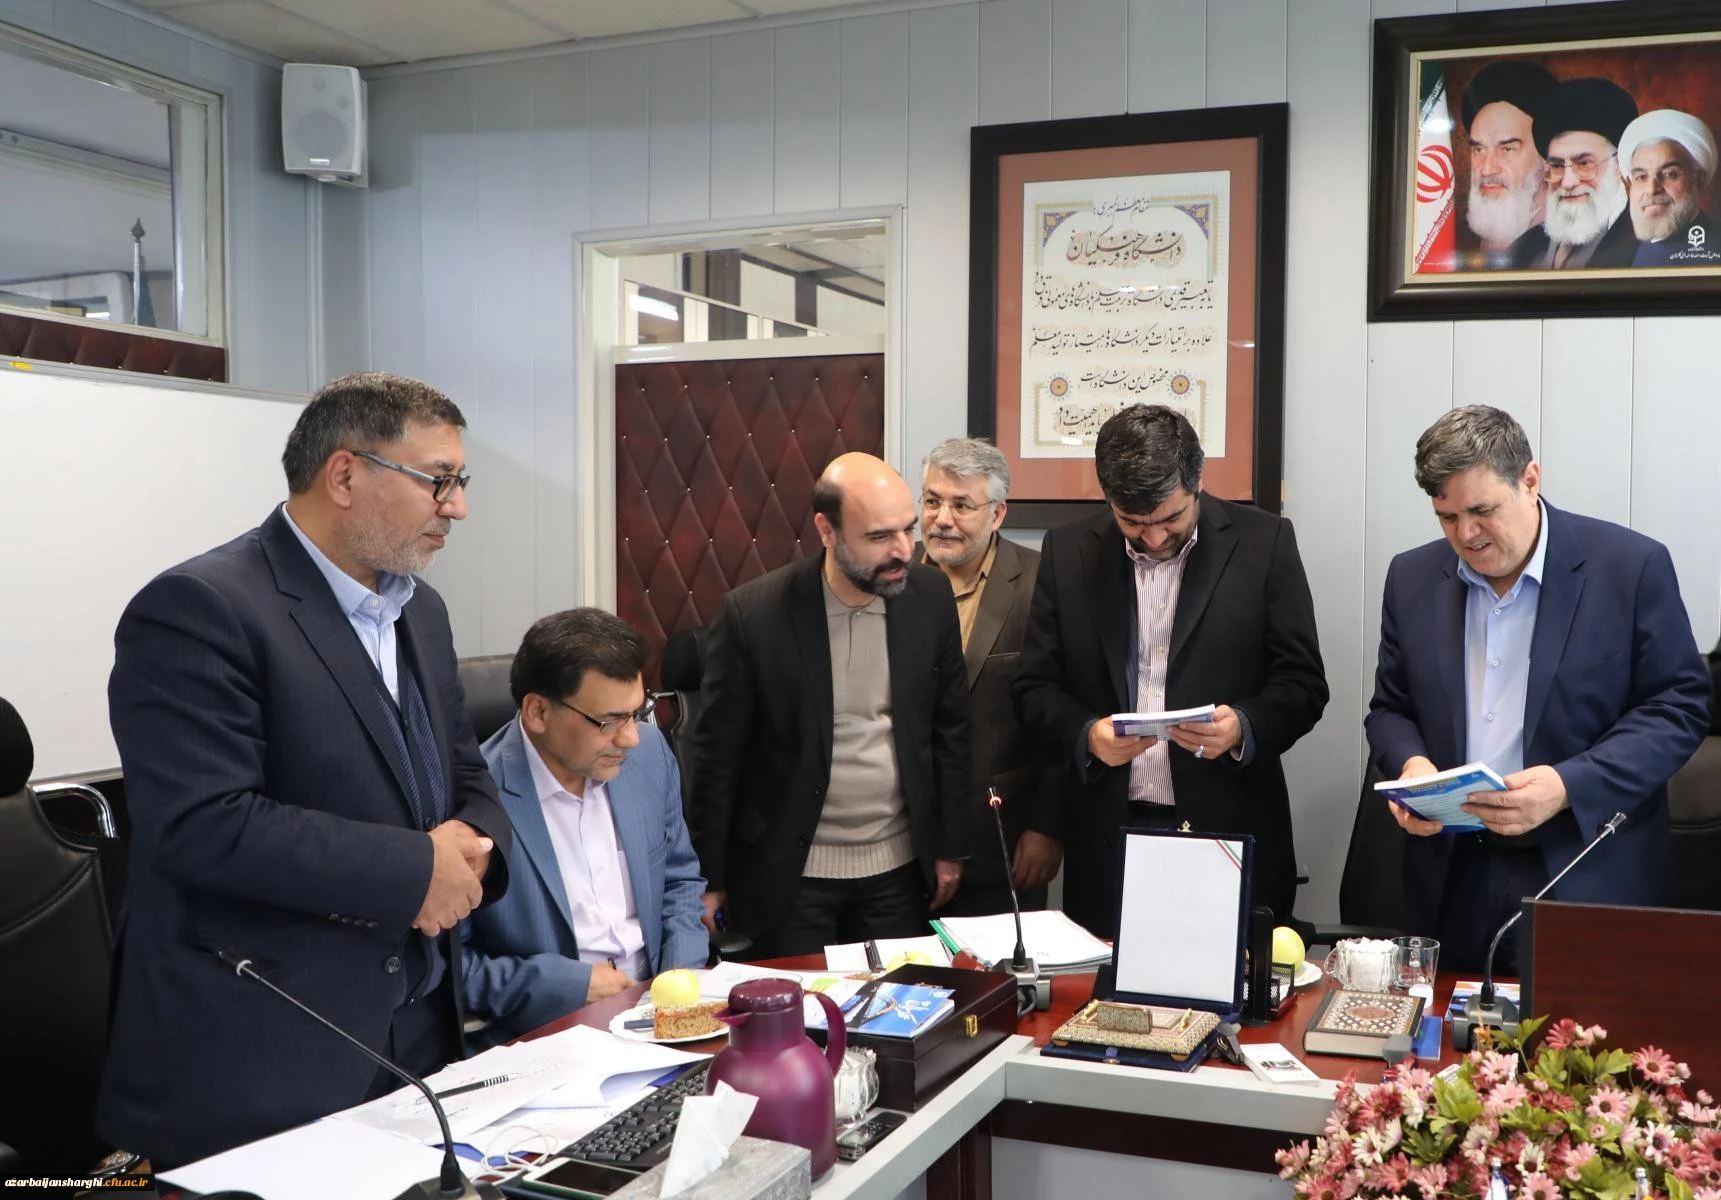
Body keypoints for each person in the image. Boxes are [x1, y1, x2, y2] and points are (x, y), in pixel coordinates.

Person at [99, 372, 514, 1166]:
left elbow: (466, 774)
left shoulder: (420, 612)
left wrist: (475, 849)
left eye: (461, 482)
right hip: (265, 1053)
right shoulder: (201, 607)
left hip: (417, 1031)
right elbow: (201, 825)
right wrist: (414, 869)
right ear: (346, 475)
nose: (457, 507)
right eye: (438, 481)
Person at [1366, 406, 1709, 975]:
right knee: (1452, 1031)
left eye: (1481, 510)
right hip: (1453, 873)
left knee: (1577, 1032)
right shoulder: (1412, 578)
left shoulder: (1630, 567)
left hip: (1582, 866)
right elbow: (1390, 708)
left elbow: (1679, 707)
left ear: (1530, 480)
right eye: (1447, 517)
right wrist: (1413, 766)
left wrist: (1568, 785)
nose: (1465, 535)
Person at [1013, 405, 1328, 936]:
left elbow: (1303, 684)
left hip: (1228, 825)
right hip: (1110, 835)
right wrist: (1087, 736)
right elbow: (1034, 688)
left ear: (1197, 482)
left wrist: (1243, 728)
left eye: (1170, 519)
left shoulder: (1264, 543)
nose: (1155, 539)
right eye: (1133, 523)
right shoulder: (1069, 552)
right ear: (1107, 499)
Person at [692, 452, 971, 956]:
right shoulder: (753, 615)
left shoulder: (930, 597)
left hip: (899, 870)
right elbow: (716, 759)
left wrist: (950, 847)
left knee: (899, 999)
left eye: (908, 529)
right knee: (798, 1003)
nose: (903, 550)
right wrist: (710, 878)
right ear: (827, 531)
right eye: (879, 536)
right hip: (789, 873)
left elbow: (950, 732)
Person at [461, 609, 708, 1045]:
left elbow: (679, 880)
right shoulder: (471, 798)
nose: (630, 737)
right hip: (548, 1035)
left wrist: (679, 977)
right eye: (608, 722)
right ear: (538, 712)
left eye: (637, 713)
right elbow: (448, 964)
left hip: (662, 1018)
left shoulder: (649, 755)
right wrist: (568, 987)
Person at [912, 437, 1060, 917]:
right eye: (932, 501)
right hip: (901, 846)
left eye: (961, 505)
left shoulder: (1041, 582)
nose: (942, 519)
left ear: (997, 514)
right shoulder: (890, 576)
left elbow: (1060, 716)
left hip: (1001, 843)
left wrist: (1048, 826)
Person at [1528, 77, 1640, 270]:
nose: (1567, 182)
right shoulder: (1527, 246)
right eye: (1557, 165)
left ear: (1619, 166)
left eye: (1584, 164)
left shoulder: (1642, 245)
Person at [1457, 60, 1556, 269]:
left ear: (1548, 158)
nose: (1486, 169)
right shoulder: (1463, 250)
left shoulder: (1573, 253)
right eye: (1479, 150)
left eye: (1507, 149)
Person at [1619, 109, 1721, 268]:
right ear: (1629, 187)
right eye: (1641, 177)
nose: (1652, 189)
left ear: (1698, 180)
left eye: (1670, 174)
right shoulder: (1619, 257)